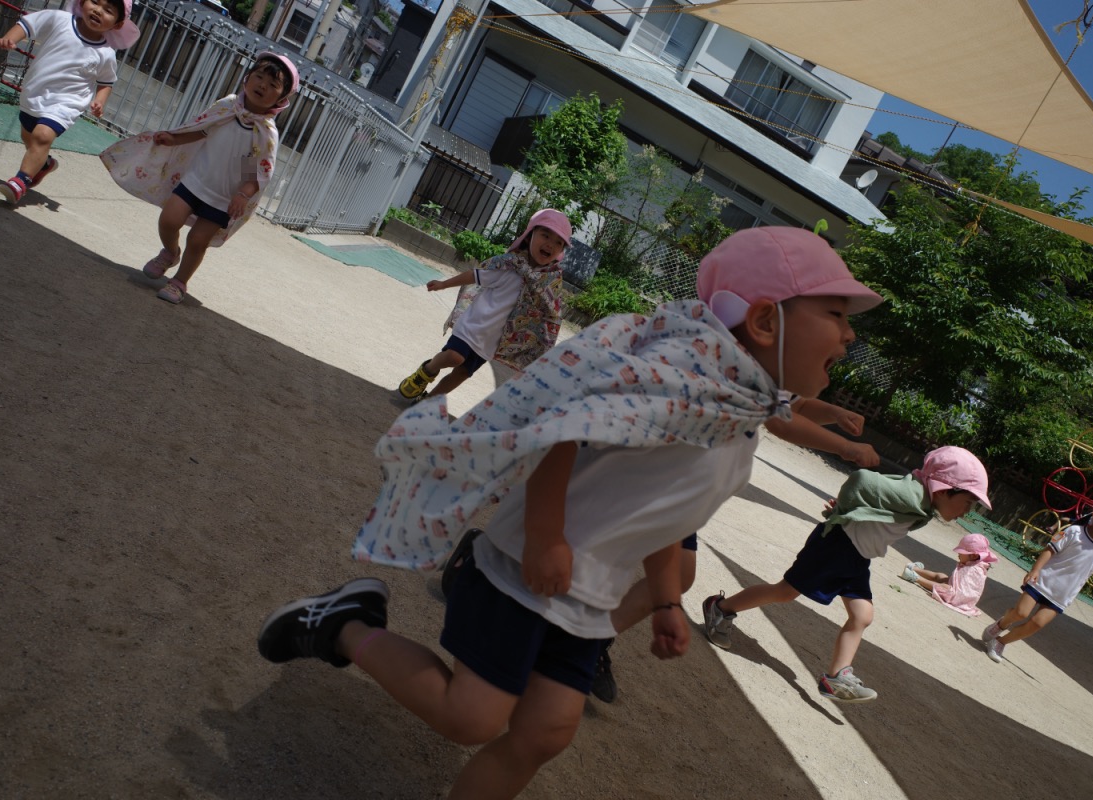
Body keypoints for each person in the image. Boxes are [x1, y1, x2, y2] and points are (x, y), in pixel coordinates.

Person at [257, 226, 882, 799]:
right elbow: (565, 425)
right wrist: (544, 534)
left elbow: (664, 514)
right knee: (470, 717)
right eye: (835, 314)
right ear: (766, 321)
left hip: (587, 602)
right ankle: (345, 623)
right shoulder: (679, 377)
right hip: (524, 571)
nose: (850, 334)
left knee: (546, 733)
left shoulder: (738, 406)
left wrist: (667, 600)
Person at [590, 396, 880, 703]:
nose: (827, 373)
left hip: (684, 482)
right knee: (603, 537)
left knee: (679, 573)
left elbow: (793, 406)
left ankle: (590, 642)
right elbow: (780, 418)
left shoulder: (778, 381)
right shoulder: (756, 373)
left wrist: (834, 411)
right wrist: (845, 447)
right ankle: (572, 634)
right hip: (658, 460)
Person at [702, 445, 991, 703]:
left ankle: (836, 678)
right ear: (944, 489)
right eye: (967, 502)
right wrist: (843, 508)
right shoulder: (912, 494)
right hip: (837, 546)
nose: (966, 512)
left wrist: (851, 509)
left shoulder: (923, 502)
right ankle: (720, 608)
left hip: (857, 557)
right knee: (784, 592)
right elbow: (862, 480)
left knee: (862, 615)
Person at [99, 52, 299, 304]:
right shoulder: (228, 106)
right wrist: (174, 139)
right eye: (259, 77)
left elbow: (254, 168)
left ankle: (179, 282)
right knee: (169, 220)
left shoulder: (265, 132)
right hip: (195, 180)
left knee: (198, 241)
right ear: (247, 78)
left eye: (273, 85)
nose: (262, 85)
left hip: (223, 199)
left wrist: (243, 194)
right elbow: (201, 130)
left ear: (281, 99)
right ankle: (170, 252)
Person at [397, 209, 570, 401]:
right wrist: (444, 284)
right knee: (454, 356)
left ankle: (428, 402)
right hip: (472, 326)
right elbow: (475, 275)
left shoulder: (549, 284)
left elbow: (550, 317)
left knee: (461, 374)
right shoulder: (508, 265)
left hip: (492, 342)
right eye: (545, 235)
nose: (550, 244)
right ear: (529, 236)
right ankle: (427, 370)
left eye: (559, 242)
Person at [0, 0, 140, 204]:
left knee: (42, 136)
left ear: (117, 24)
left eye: (108, 10)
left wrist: (99, 101)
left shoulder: (106, 53)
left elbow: (106, 82)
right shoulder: (60, 20)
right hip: (35, 93)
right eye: (94, 2)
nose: (98, 10)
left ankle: (20, 181)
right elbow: (29, 24)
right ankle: (44, 164)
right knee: (29, 137)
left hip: (67, 103)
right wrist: (11, 37)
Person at [982, 496, 1093, 663]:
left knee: (1037, 624)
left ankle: (1000, 642)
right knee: (1020, 613)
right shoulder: (1074, 532)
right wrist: (1035, 570)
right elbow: (1049, 549)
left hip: (1061, 596)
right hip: (1041, 581)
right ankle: (1001, 624)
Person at [899, 532, 996, 617]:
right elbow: (960, 582)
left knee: (945, 587)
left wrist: (951, 586)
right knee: (942, 577)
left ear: (973, 556)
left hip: (959, 599)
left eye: (961, 552)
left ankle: (915, 578)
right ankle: (914, 568)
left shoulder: (974, 570)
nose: (958, 554)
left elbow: (963, 592)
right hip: (958, 589)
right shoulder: (973, 563)